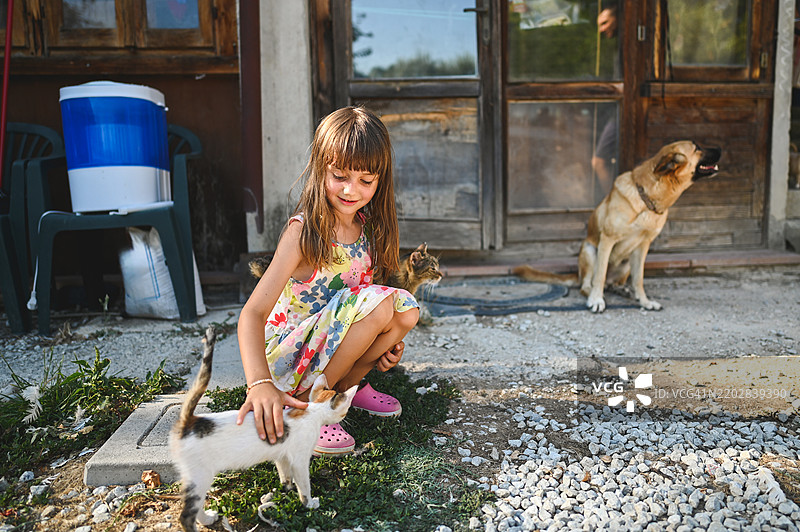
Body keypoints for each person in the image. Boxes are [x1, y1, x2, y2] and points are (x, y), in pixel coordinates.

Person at [236, 106, 420, 456]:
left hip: (329, 343)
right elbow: (252, 314)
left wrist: (384, 344)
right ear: (321, 169)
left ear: (380, 181)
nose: (352, 190)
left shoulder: (365, 230)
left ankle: (346, 388)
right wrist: (258, 383)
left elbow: (359, 304)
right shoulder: (304, 233)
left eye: (366, 181)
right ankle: (305, 405)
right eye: (340, 176)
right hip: (292, 355)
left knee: (404, 312)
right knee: (382, 305)